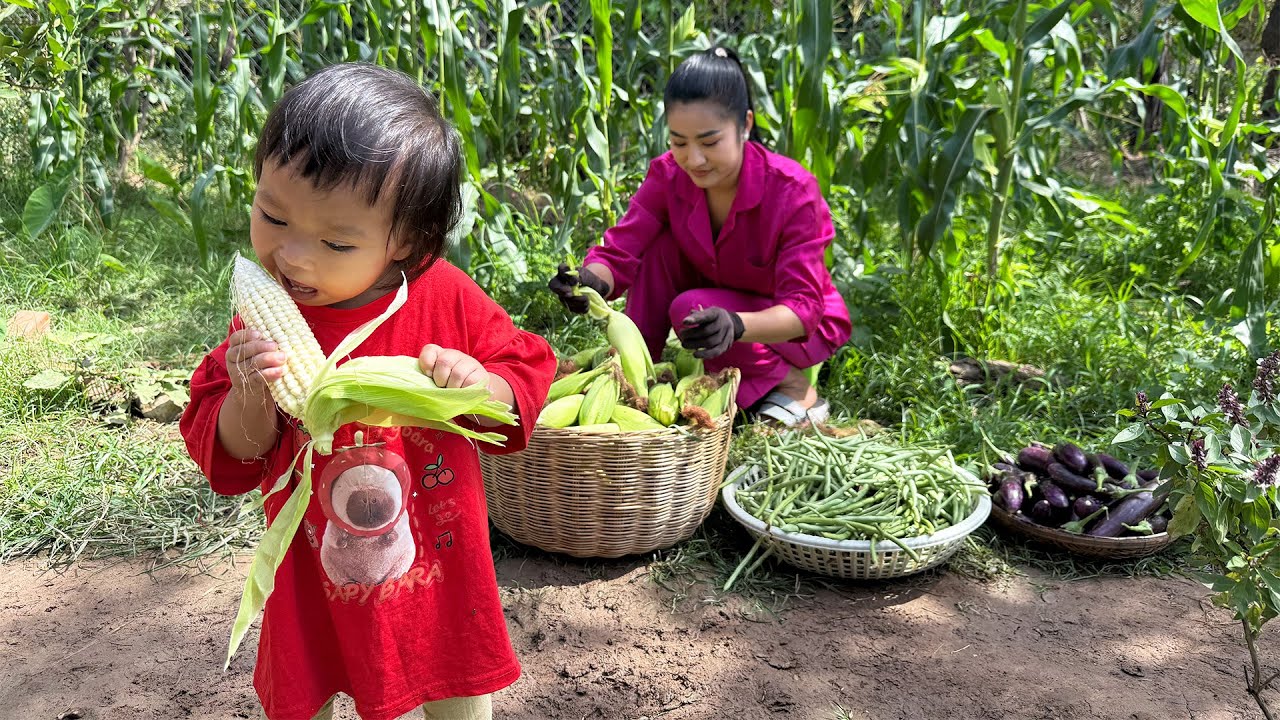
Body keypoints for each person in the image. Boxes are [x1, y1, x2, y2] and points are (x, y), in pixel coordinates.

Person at [179, 63, 556, 720]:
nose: (291, 255)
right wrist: (250, 395)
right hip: (312, 579)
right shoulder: (261, 322)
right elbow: (233, 455)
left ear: (403, 241)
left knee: (458, 693)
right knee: (310, 690)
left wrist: (479, 385)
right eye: (271, 215)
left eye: (335, 241)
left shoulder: (445, 299)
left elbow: (523, 378)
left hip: (436, 573)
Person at [548, 46, 851, 427]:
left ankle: (794, 388)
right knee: (658, 250)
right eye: (679, 142)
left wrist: (736, 324)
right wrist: (590, 282)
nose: (693, 159)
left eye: (709, 142)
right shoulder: (668, 175)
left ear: (745, 125)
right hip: (716, 299)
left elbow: (803, 308)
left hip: (788, 326)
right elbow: (623, 247)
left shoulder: (792, 190)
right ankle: (642, 381)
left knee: (691, 307)